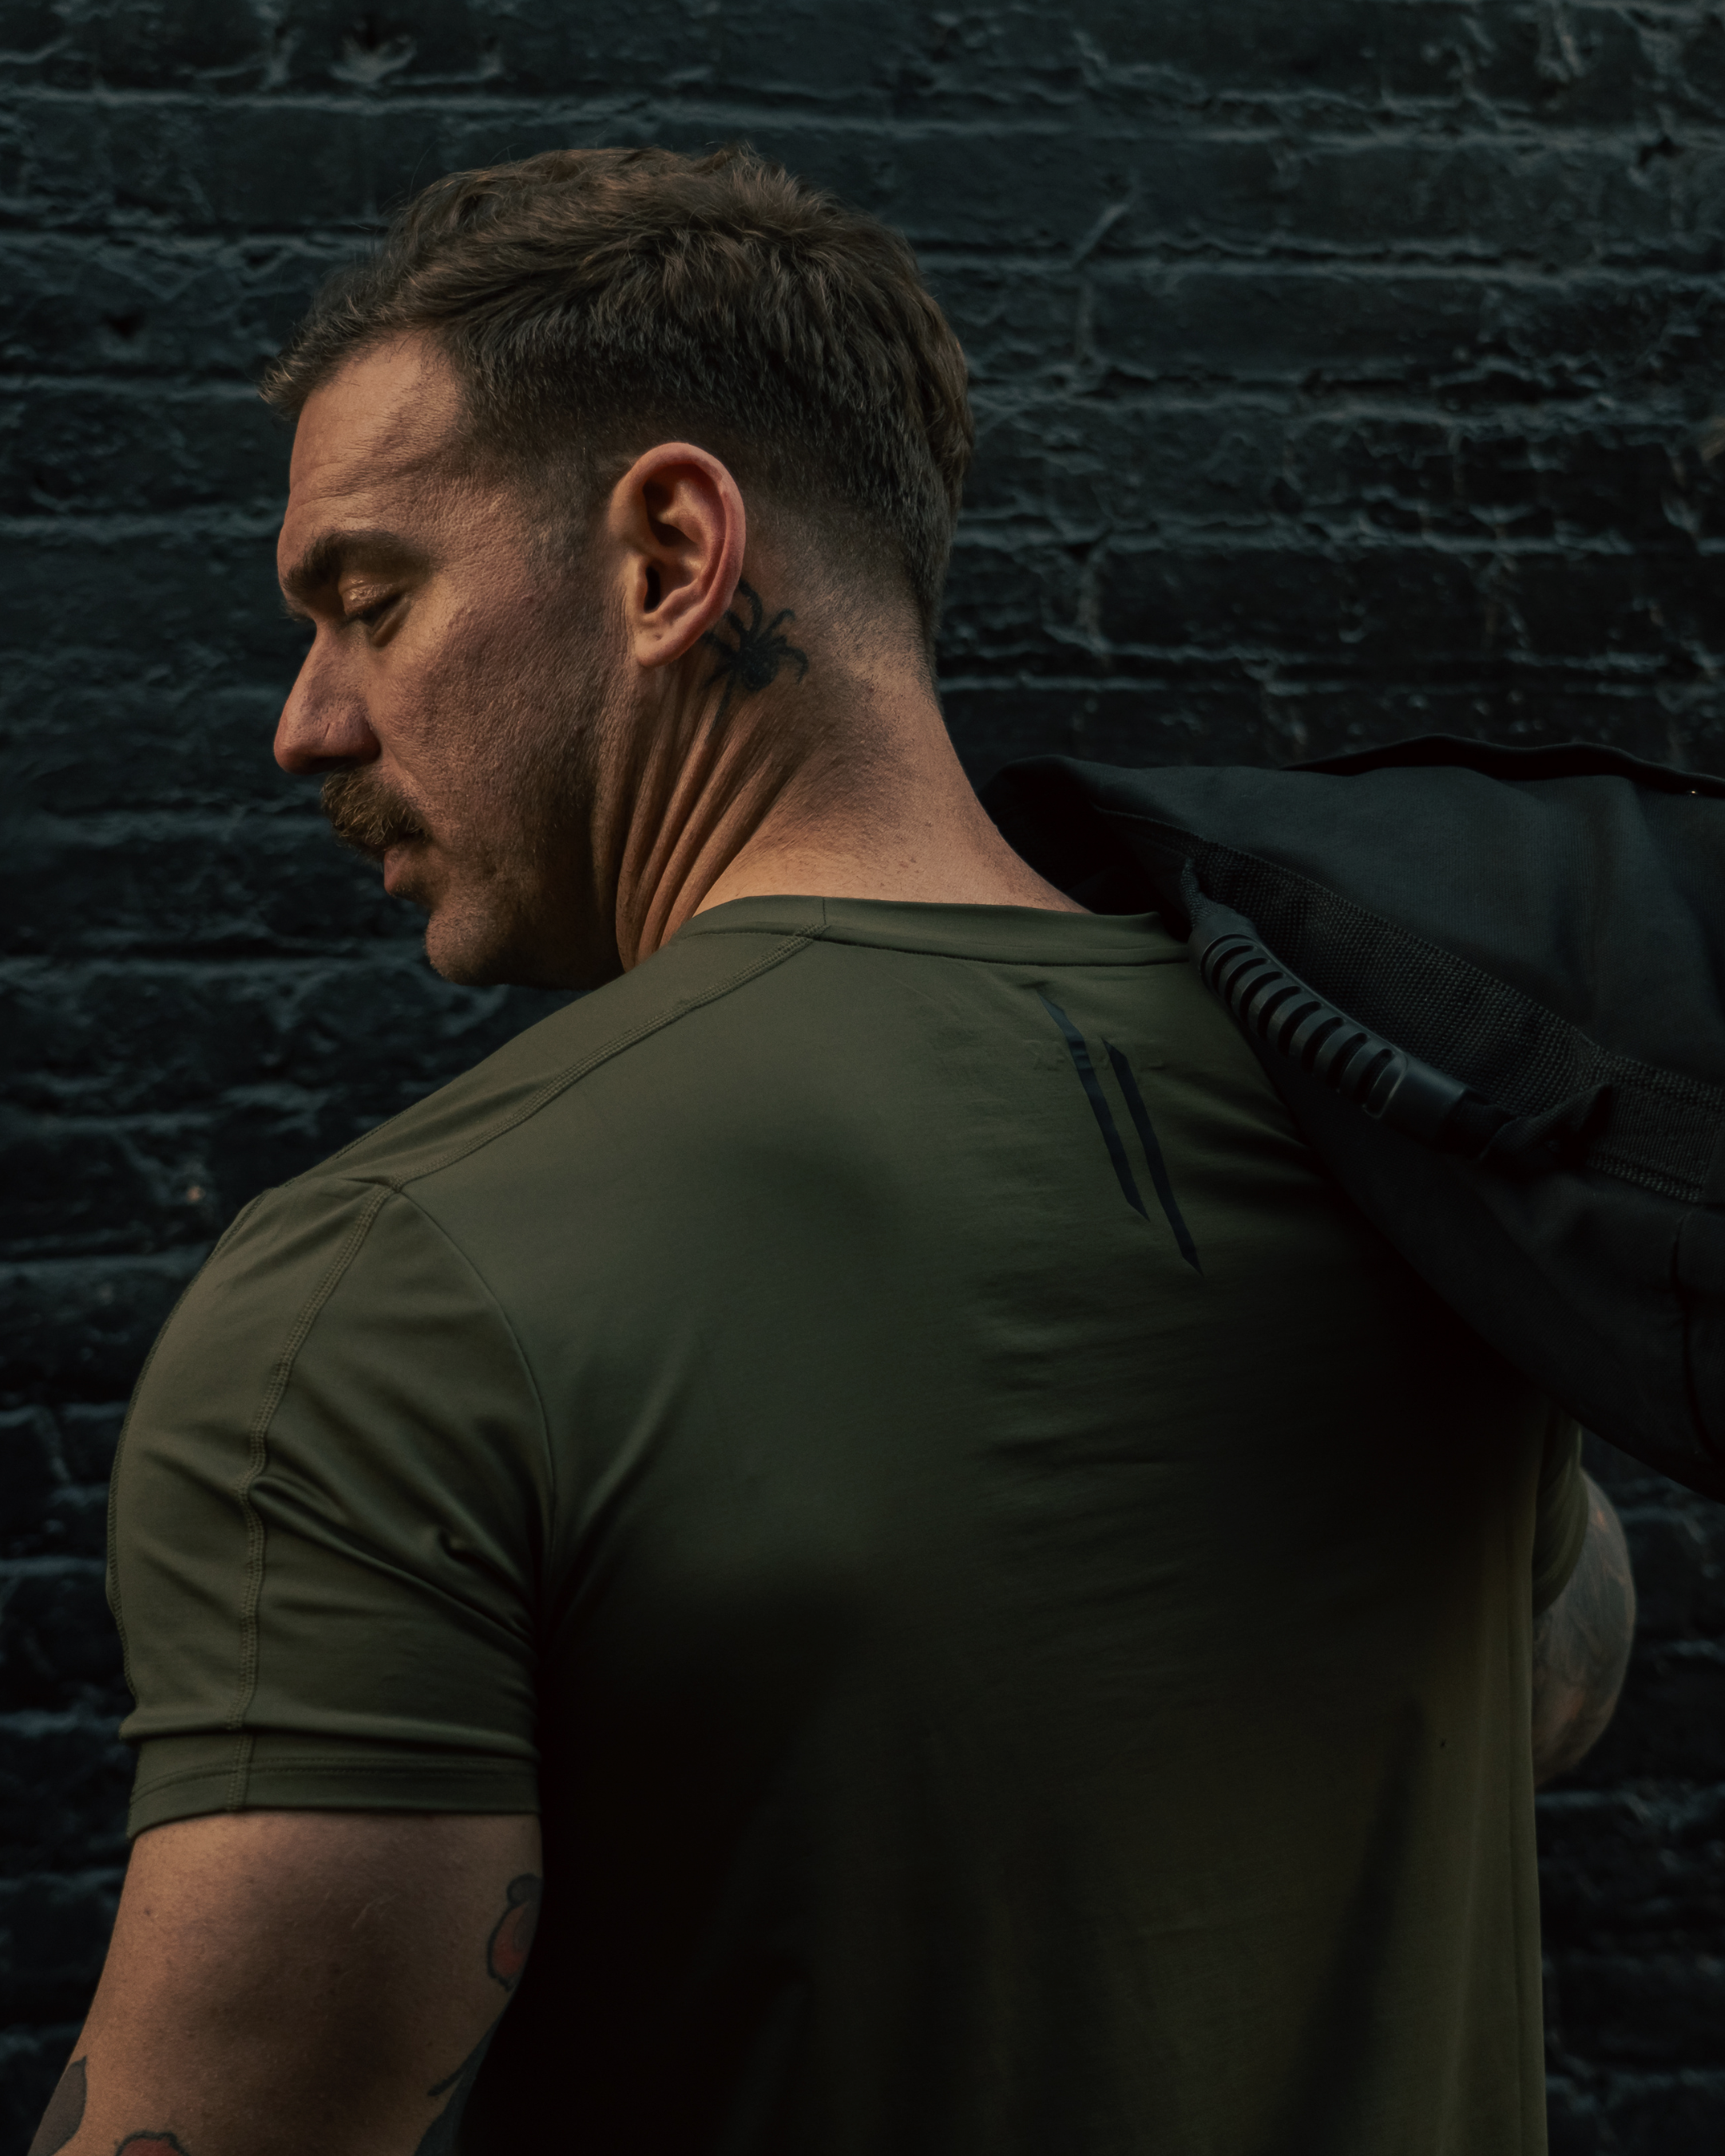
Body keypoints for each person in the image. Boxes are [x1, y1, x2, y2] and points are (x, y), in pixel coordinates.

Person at [33, 145, 1636, 2156]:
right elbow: (1561, 1681)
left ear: (669, 556)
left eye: (371, 600)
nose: (307, 724)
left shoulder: (389, 1296)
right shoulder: (1403, 1120)